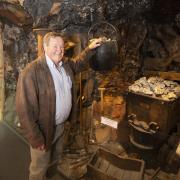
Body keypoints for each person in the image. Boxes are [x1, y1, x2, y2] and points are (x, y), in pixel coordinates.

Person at [15, 31, 103, 180]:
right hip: (43, 130)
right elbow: (24, 110)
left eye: (62, 46)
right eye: (55, 46)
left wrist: (90, 48)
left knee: (54, 161)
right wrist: (36, 138)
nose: (59, 50)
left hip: (61, 127)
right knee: (39, 168)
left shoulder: (66, 64)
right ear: (45, 47)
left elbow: (79, 63)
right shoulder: (31, 72)